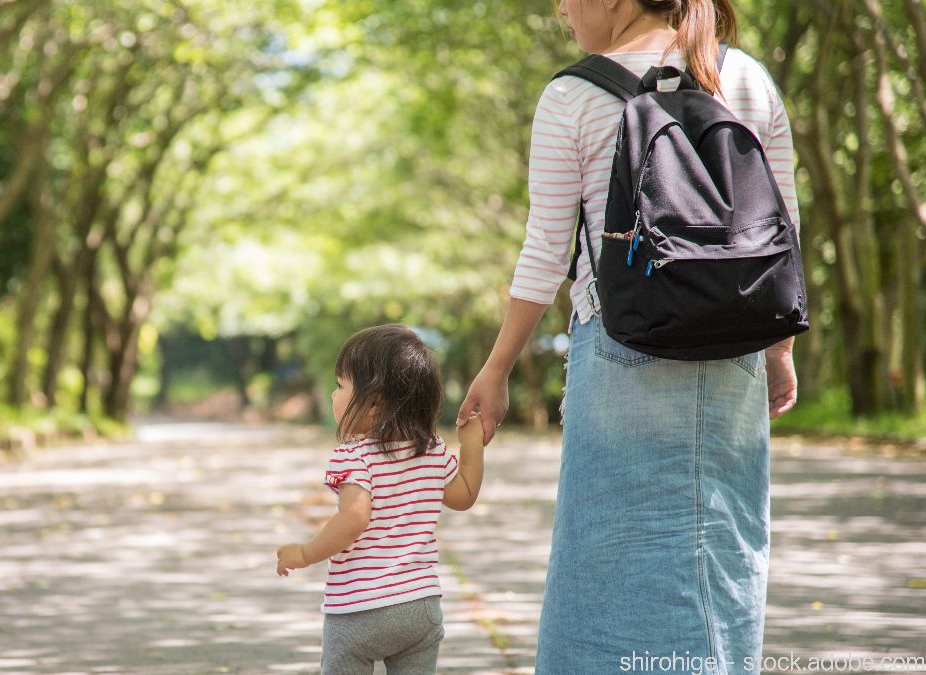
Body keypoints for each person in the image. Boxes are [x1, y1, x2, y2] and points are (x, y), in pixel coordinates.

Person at [456, 0, 800, 672]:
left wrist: (497, 368)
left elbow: (546, 251)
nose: (559, 8)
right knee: (721, 545)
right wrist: (780, 350)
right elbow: (781, 229)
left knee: (610, 551)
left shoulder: (573, 95)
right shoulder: (750, 80)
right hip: (734, 353)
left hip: (620, 351)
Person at [276, 324, 486, 675]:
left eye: (341, 386)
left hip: (359, 609)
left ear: (374, 405)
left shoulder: (353, 457)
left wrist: (306, 552)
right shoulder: (431, 450)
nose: (333, 395)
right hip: (420, 607)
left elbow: (354, 518)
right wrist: (472, 446)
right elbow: (463, 495)